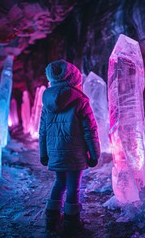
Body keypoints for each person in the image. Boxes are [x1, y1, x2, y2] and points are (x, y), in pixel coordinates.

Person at [39, 59, 100, 234]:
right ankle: (71, 222)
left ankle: (51, 217)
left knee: (59, 182)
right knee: (74, 186)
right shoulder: (81, 100)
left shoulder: (47, 102)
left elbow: (42, 130)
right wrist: (94, 154)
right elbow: (90, 130)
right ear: (74, 78)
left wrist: (43, 154)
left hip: (55, 152)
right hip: (76, 154)